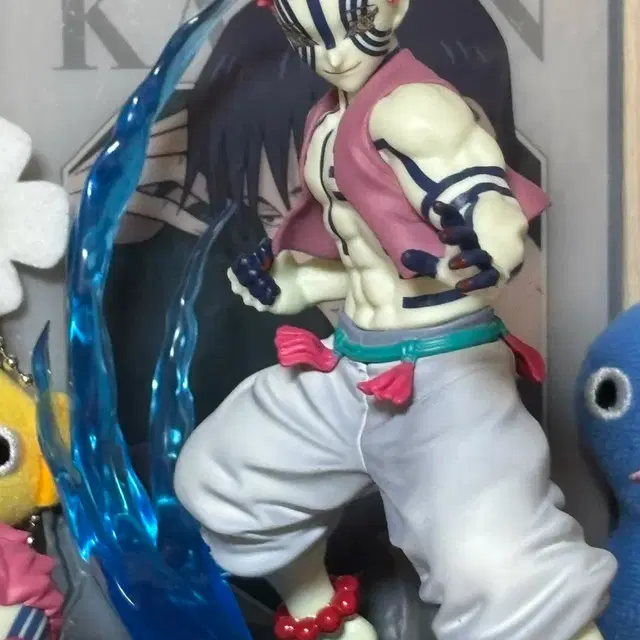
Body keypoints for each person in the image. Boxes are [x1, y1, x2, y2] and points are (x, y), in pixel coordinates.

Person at [173, 1, 616, 639]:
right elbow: (371, 260)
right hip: (351, 368)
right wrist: (299, 283)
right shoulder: (326, 119)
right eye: (308, 38)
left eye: (354, 26)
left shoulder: (416, 108)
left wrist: (490, 243)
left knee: (505, 574)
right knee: (225, 470)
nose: (334, 56)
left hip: (445, 377)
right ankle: (325, 621)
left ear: (396, 5)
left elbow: (484, 196)